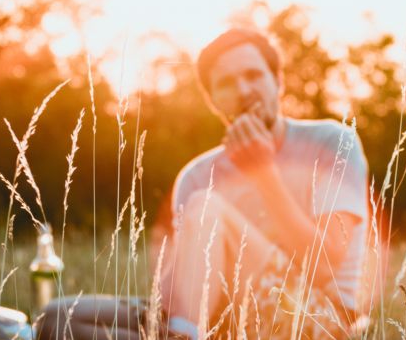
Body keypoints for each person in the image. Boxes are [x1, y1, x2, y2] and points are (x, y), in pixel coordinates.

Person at [36, 28, 372, 339]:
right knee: (54, 319)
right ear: (213, 100)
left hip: (317, 317)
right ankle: (183, 335)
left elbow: (327, 266)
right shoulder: (198, 173)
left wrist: (262, 172)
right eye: (226, 83)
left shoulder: (332, 141)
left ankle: (183, 336)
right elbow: (177, 291)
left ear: (278, 81)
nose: (243, 91)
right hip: (218, 315)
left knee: (206, 204)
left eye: (254, 75)